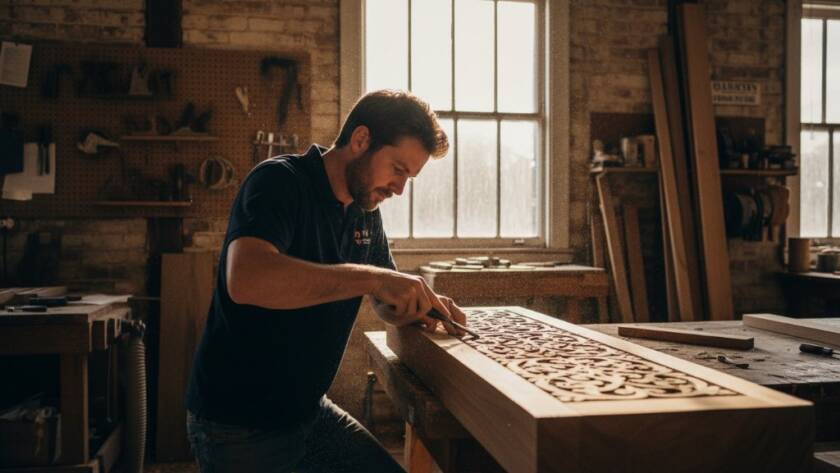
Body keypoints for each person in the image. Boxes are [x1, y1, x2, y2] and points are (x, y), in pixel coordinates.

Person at [185, 90, 468, 473]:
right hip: (239, 424)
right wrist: (373, 279)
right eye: (398, 169)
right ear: (361, 140)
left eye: (410, 178)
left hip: (308, 413)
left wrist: (416, 305)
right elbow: (246, 279)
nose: (399, 189)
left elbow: (383, 297)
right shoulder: (279, 182)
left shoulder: (365, 209)